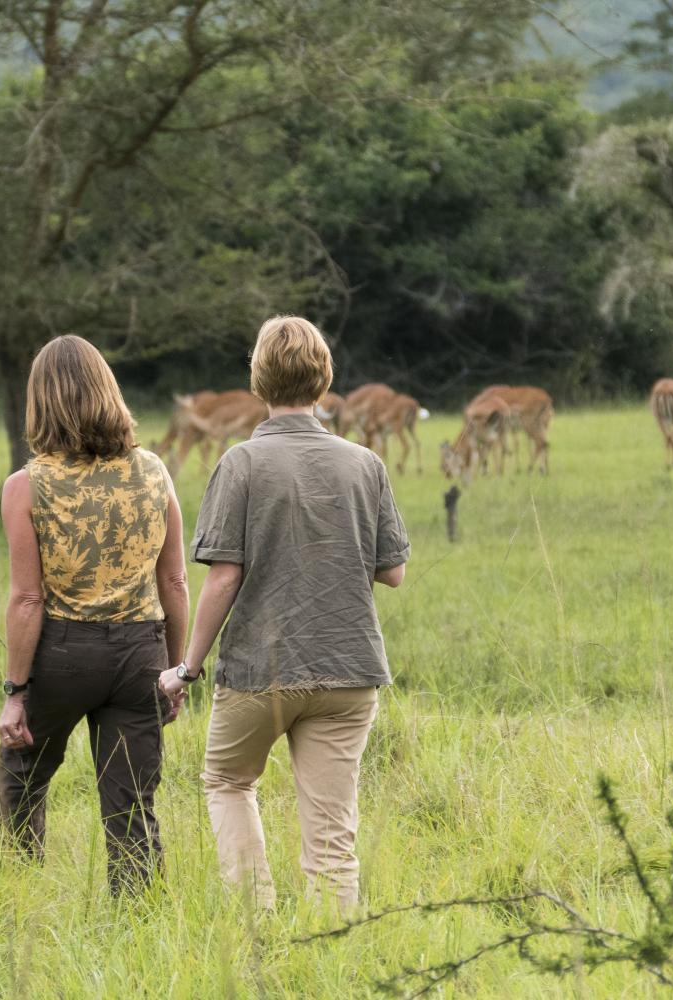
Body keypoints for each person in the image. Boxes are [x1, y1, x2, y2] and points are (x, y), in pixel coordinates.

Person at [160, 315, 409, 911]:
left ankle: (256, 921)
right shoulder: (365, 464)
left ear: (258, 380)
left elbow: (224, 576)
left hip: (258, 670)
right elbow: (392, 570)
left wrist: (186, 670)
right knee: (332, 833)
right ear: (325, 380)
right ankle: (333, 954)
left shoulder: (240, 463)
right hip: (349, 669)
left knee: (226, 781)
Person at [0, 335, 189, 893]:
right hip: (140, 655)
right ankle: (138, 926)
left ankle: (13, 900)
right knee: (130, 806)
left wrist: (15, 693)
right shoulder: (154, 473)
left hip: (62, 655)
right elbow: (173, 580)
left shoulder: (26, 486)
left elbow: (28, 599)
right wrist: (176, 672)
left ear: (41, 402)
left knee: (21, 780)